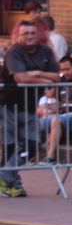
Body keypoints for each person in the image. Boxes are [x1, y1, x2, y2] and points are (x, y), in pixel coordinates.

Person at [0, 20, 60, 197]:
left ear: (38, 34)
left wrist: (38, 73)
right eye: (25, 33)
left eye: (33, 33)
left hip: (30, 108)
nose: (29, 36)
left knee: (32, 147)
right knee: (10, 148)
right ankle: (14, 184)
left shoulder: (45, 51)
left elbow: (57, 77)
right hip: (8, 106)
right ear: (18, 36)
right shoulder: (14, 52)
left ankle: (3, 177)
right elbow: (20, 78)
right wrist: (45, 80)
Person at [40, 56, 72, 165]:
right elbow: (59, 102)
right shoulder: (61, 81)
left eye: (67, 69)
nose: (65, 72)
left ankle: (51, 157)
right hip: (61, 113)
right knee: (36, 123)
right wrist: (47, 106)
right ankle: (28, 154)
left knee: (55, 120)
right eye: (62, 70)